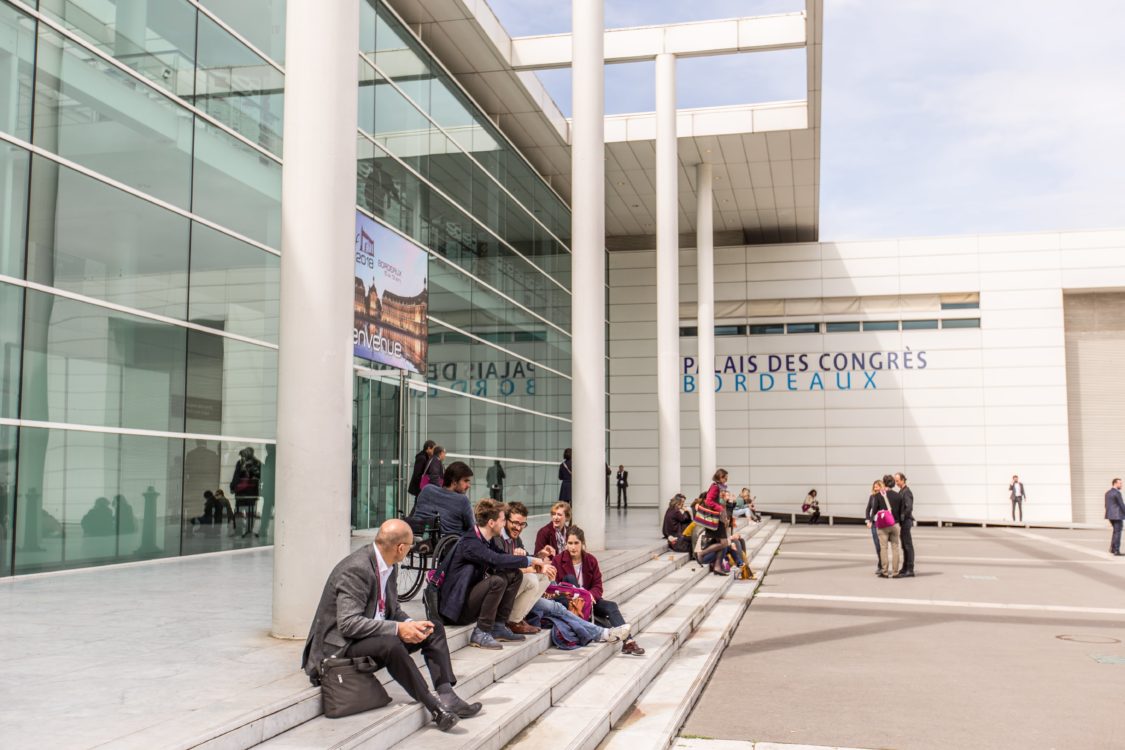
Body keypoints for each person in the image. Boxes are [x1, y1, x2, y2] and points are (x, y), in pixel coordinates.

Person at [301, 518, 480, 732]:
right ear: (401, 547)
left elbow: (392, 611)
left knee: (433, 629)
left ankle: (447, 696)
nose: (411, 550)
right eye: (411, 546)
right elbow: (348, 624)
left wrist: (410, 624)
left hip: (370, 639)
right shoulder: (356, 569)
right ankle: (435, 709)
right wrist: (397, 629)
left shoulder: (389, 566)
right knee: (390, 644)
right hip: (339, 647)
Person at [438, 499, 552, 650]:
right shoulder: (470, 542)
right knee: (497, 581)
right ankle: (481, 631)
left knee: (515, 574)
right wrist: (531, 560)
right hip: (457, 607)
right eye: (503, 520)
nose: (504, 524)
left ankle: (498, 626)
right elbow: (496, 560)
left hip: (469, 598)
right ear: (492, 523)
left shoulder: (485, 540)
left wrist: (530, 561)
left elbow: (502, 557)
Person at [553, 527, 645, 655]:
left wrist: (590, 596)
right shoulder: (558, 560)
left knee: (611, 606)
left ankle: (628, 642)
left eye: (576, 543)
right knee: (570, 579)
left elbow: (598, 586)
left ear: (582, 543)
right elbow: (555, 587)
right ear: (565, 544)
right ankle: (598, 625)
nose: (573, 547)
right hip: (572, 605)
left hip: (590, 601)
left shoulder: (590, 560)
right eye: (570, 543)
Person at [499, 501, 555, 635]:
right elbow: (504, 569)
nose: (518, 528)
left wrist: (539, 556)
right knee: (531, 579)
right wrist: (534, 569)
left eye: (522, 524)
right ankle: (512, 621)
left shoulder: (516, 538)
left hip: (511, 586)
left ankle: (517, 618)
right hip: (499, 589)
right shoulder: (498, 538)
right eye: (515, 523)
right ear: (506, 520)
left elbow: (526, 560)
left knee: (545, 576)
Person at [412, 461, 475, 536]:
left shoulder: (427, 489)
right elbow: (472, 527)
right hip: (450, 544)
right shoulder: (462, 500)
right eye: (465, 481)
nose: (468, 485)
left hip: (419, 539)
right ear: (454, 481)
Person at [872, 479, 905, 578]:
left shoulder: (878, 496)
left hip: (883, 526)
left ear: (884, 483)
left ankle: (885, 572)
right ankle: (895, 572)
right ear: (893, 484)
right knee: (895, 548)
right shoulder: (898, 496)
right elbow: (902, 512)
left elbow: (874, 511)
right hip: (895, 524)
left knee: (883, 548)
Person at [230, 447, 262, 537]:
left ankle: (246, 530)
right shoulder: (241, 463)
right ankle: (241, 530)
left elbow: (258, 476)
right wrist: (233, 487)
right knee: (241, 511)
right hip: (244, 491)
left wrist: (249, 470)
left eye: (243, 455)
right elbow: (236, 476)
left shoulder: (255, 463)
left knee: (248, 512)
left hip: (248, 491)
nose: (242, 457)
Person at [894, 472, 915, 577]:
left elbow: (909, 508)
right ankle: (905, 567)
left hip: (906, 521)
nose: (896, 482)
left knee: (907, 545)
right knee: (904, 545)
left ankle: (910, 569)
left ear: (903, 480)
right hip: (904, 521)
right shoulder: (902, 491)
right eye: (895, 480)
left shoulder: (907, 492)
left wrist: (902, 516)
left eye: (897, 480)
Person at [863, 482, 883, 574]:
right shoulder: (872, 497)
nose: (876, 489)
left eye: (877, 487)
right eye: (874, 487)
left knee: (883, 545)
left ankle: (882, 565)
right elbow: (868, 509)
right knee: (877, 544)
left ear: (881, 487)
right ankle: (880, 564)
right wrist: (868, 520)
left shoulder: (884, 496)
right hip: (874, 523)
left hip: (883, 523)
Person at [1105, 478, 1124, 556]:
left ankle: (1112, 549)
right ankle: (1116, 550)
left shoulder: (1107, 493)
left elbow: (1106, 505)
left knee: (1115, 532)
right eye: (1120, 483)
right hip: (1117, 515)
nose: (1121, 485)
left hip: (1110, 515)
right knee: (1118, 533)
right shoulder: (1117, 493)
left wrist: (1109, 514)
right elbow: (1121, 505)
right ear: (1115, 483)